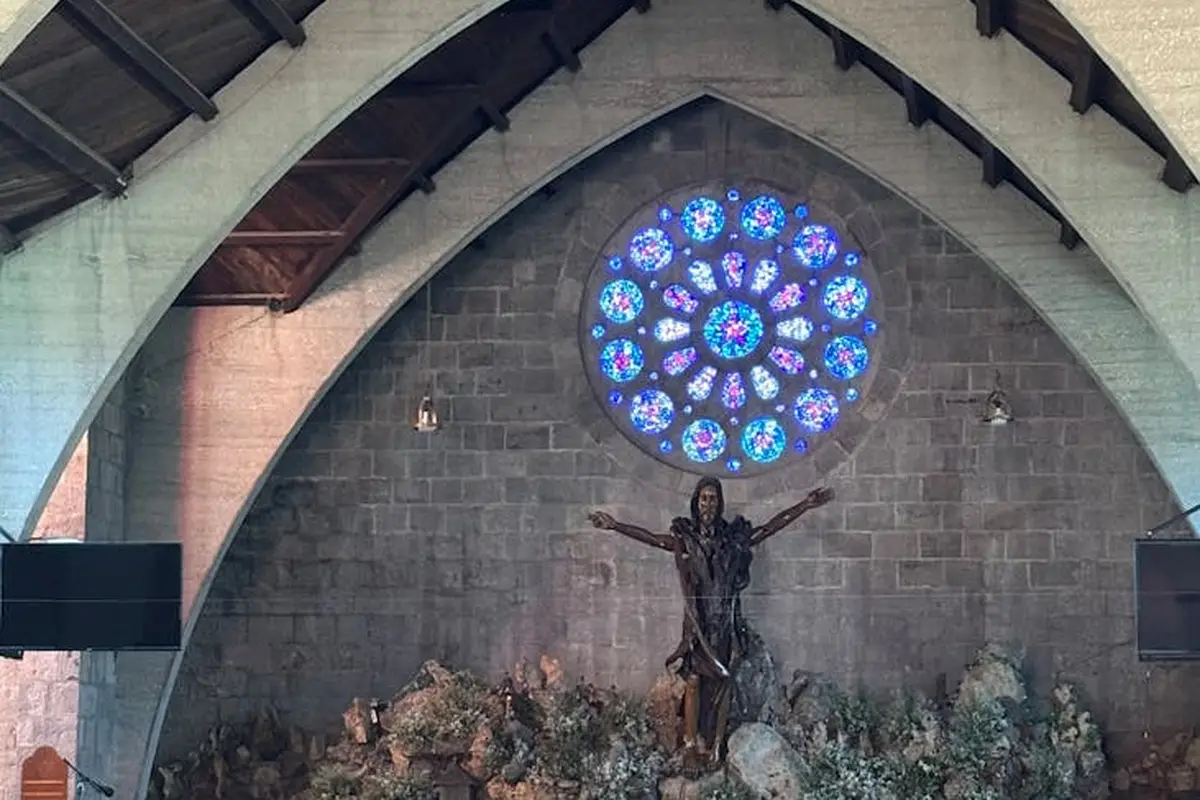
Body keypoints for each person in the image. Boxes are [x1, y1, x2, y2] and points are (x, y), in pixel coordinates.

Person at [588, 477, 834, 764]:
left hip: (725, 620)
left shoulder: (733, 539)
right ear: (697, 502)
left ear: (720, 503)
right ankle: (691, 745)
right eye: (704, 498)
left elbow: (769, 528)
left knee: (724, 681)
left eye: (713, 498)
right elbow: (655, 539)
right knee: (693, 680)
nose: (708, 504)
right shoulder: (686, 539)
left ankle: (716, 746)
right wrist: (616, 526)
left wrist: (804, 505)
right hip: (699, 623)